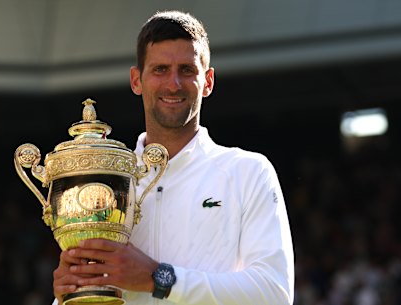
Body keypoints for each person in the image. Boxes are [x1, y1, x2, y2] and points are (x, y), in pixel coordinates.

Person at [52, 10, 294, 305]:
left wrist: (159, 278)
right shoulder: (108, 184)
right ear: (136, 80)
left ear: (208, 81)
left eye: (187, 70)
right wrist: (68, 294)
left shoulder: (249, 172)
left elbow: (275, 293)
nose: (173, 84)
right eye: (160, 69)